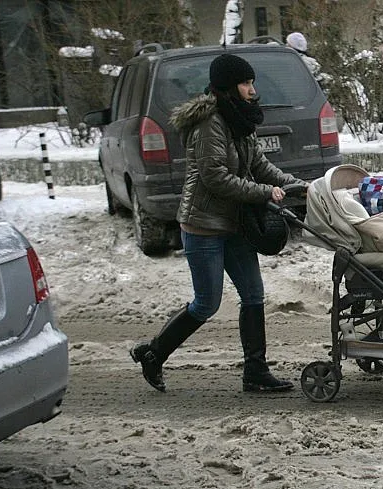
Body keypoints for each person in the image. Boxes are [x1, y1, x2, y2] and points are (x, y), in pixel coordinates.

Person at [129, 53, 307, 393]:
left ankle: (255, 372)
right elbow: (215, 178)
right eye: (246, 83)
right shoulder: (210, 123)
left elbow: (260, 165)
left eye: (252, 82)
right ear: (228, 87)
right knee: (206, 304)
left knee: (253, 294)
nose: (252, 90)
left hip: (235, 223)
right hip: (204, 226)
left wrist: (295, 185)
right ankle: (155, 353)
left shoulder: (240, 120)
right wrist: (265, 193)